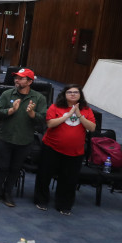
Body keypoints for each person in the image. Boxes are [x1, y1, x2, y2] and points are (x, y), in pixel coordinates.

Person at [33, 84, 96, 215]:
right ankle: (41, 200)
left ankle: (64, 204)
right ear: (64, 94)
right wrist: (68, 115)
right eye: (69, 92)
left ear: (80, 95)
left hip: (75, 152)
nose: (73, 94)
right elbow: (50, 124)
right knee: (45, 175)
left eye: (76, 92)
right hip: (52, 148)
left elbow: (92, 128)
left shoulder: (86, 110)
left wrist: (79, 115)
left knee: (69, 179)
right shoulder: (55, 107)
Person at [0, 68, 46, 207]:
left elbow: (42, 120)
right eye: (16, 78)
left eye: (21, 78)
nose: (16, 80)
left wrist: (32, 114)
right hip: (5, 137)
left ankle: (8, 193)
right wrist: (11, 110)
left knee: (15, 168)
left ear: (30, 81)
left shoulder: (39, 98)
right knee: (2, 167)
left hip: (24, 140)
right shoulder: (7, 94)